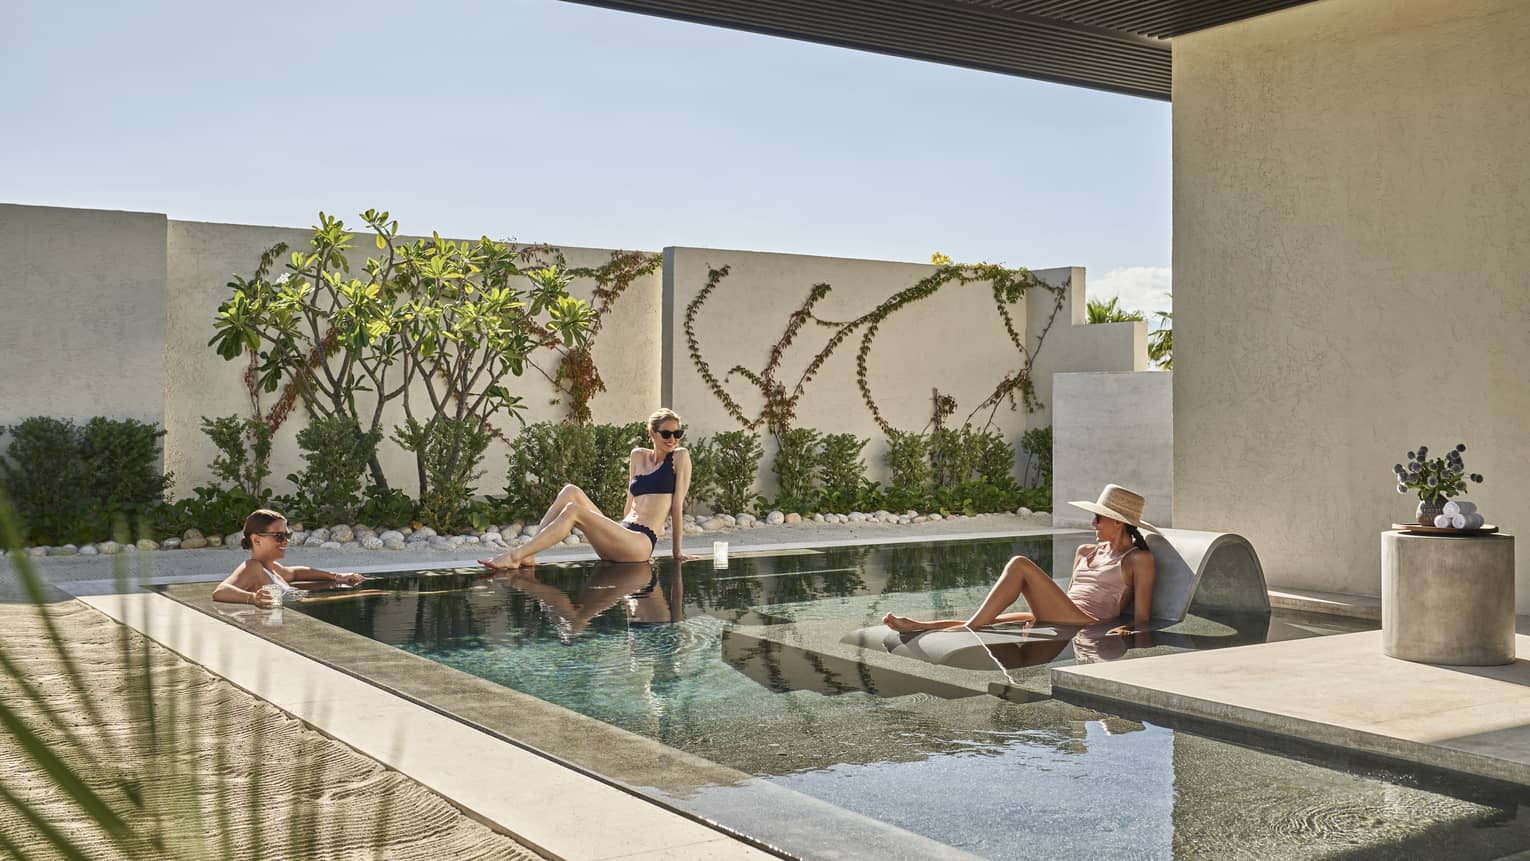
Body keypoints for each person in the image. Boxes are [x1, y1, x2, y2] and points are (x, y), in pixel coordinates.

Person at [883, 484, 1157, 636]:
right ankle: (920, 626)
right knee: (985, 619)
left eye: (1098, 517)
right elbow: (1069, 595)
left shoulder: (1138, 560)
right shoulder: (1085, 551)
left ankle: (965, 631)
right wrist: (1045, 611)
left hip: (1087, 621)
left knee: (1019, 564)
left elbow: (1143, 616)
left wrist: (1125, 629)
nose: (1093, 522)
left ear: (1118, 522)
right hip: (1065, 612)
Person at [480, 408, 698, 570]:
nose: (673, 439)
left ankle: (514, 556)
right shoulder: (637, 456)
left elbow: (677, 506)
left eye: (677, 434)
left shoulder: (680, 457)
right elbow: (629, 504)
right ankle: (529, 555)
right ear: (652, 433)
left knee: (574, 510)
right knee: (570, 491)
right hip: (624, 533)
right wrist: (617, 532)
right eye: (667, 434)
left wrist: (676, 552)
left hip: (641, 542)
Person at [212, 509, 367, 607]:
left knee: (371, 591)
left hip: (305, 604)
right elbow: (221, 591)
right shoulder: (252, 567)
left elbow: (296, 573)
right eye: (279, 536)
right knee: (370, 594)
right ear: (256, 539)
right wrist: (253, 598)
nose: (286, 541)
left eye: (288, 535)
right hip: (296, 613)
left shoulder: (272, 568)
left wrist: (337, 577)